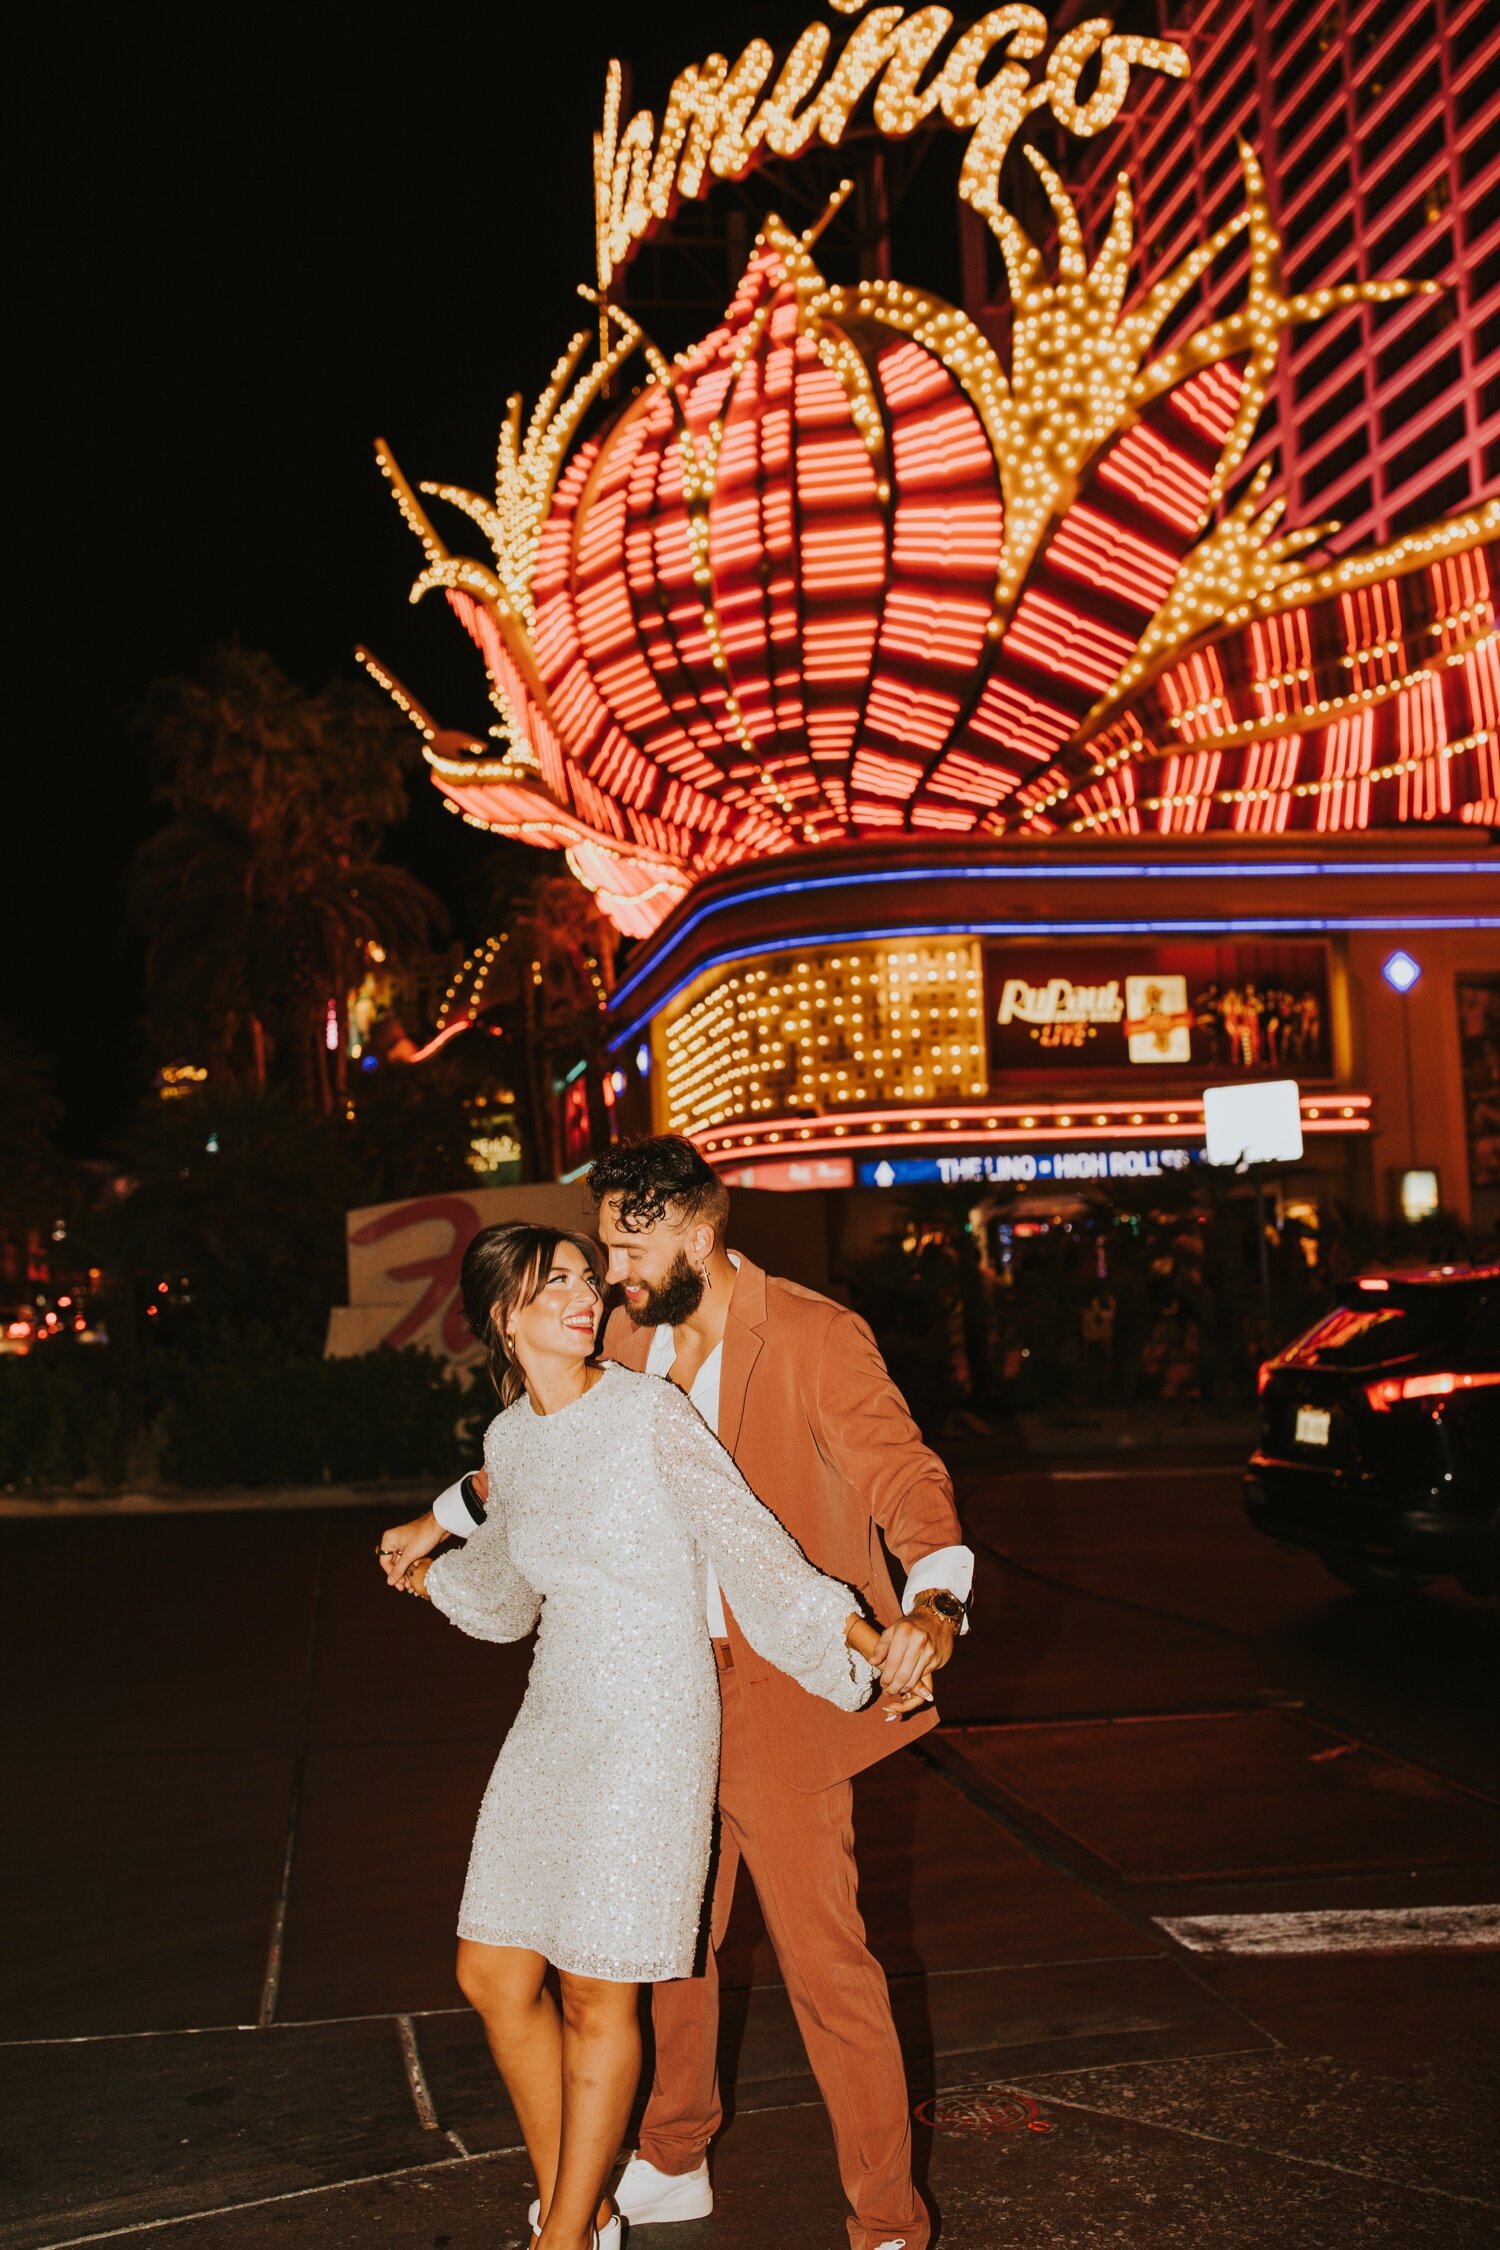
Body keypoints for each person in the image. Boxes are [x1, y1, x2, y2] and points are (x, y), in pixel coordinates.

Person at [383, 1137, 974, 2250]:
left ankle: (890, 2221)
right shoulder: (618, 1329)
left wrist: (933, 1602)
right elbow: (545, 1450)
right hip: (646, 1689)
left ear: (698, 1233)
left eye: (625, 1244)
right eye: (599, 1247)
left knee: (825, 1966)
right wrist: (441, 1518)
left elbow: (904, 1474)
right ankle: (676, 2154)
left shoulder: (810, 1336)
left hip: (777, 1685)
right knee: (668, 1957)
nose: (605, 1271)